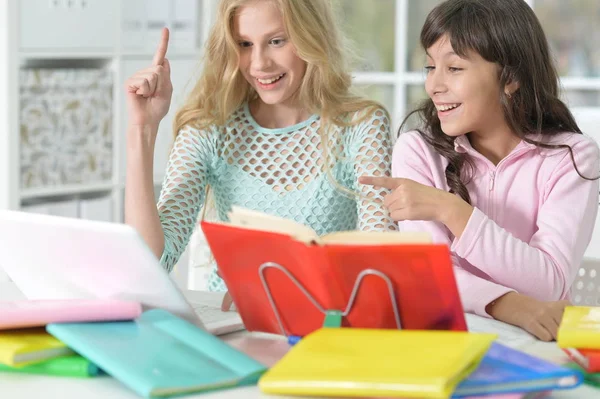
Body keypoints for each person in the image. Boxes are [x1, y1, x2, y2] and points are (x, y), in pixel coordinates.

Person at [361, 0, 599, 341]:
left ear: (511, 78)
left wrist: (451, 210)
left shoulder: (572, 156)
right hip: (444, 336)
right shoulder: (417, 151)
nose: (433, 86)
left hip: (540, 345)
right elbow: (431, 277)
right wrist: (510, 305)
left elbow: (549, 283)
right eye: (430, 67)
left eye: (454, 69)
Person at [124, 0, 396, 297]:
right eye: (244, 44)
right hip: (234, 327)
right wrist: (143, 128)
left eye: (276, 41)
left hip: (326, 323)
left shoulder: (362, 125)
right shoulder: (211, 128)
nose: (259, 64)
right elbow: (150, 261)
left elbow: (379, 258)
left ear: (311, 36)